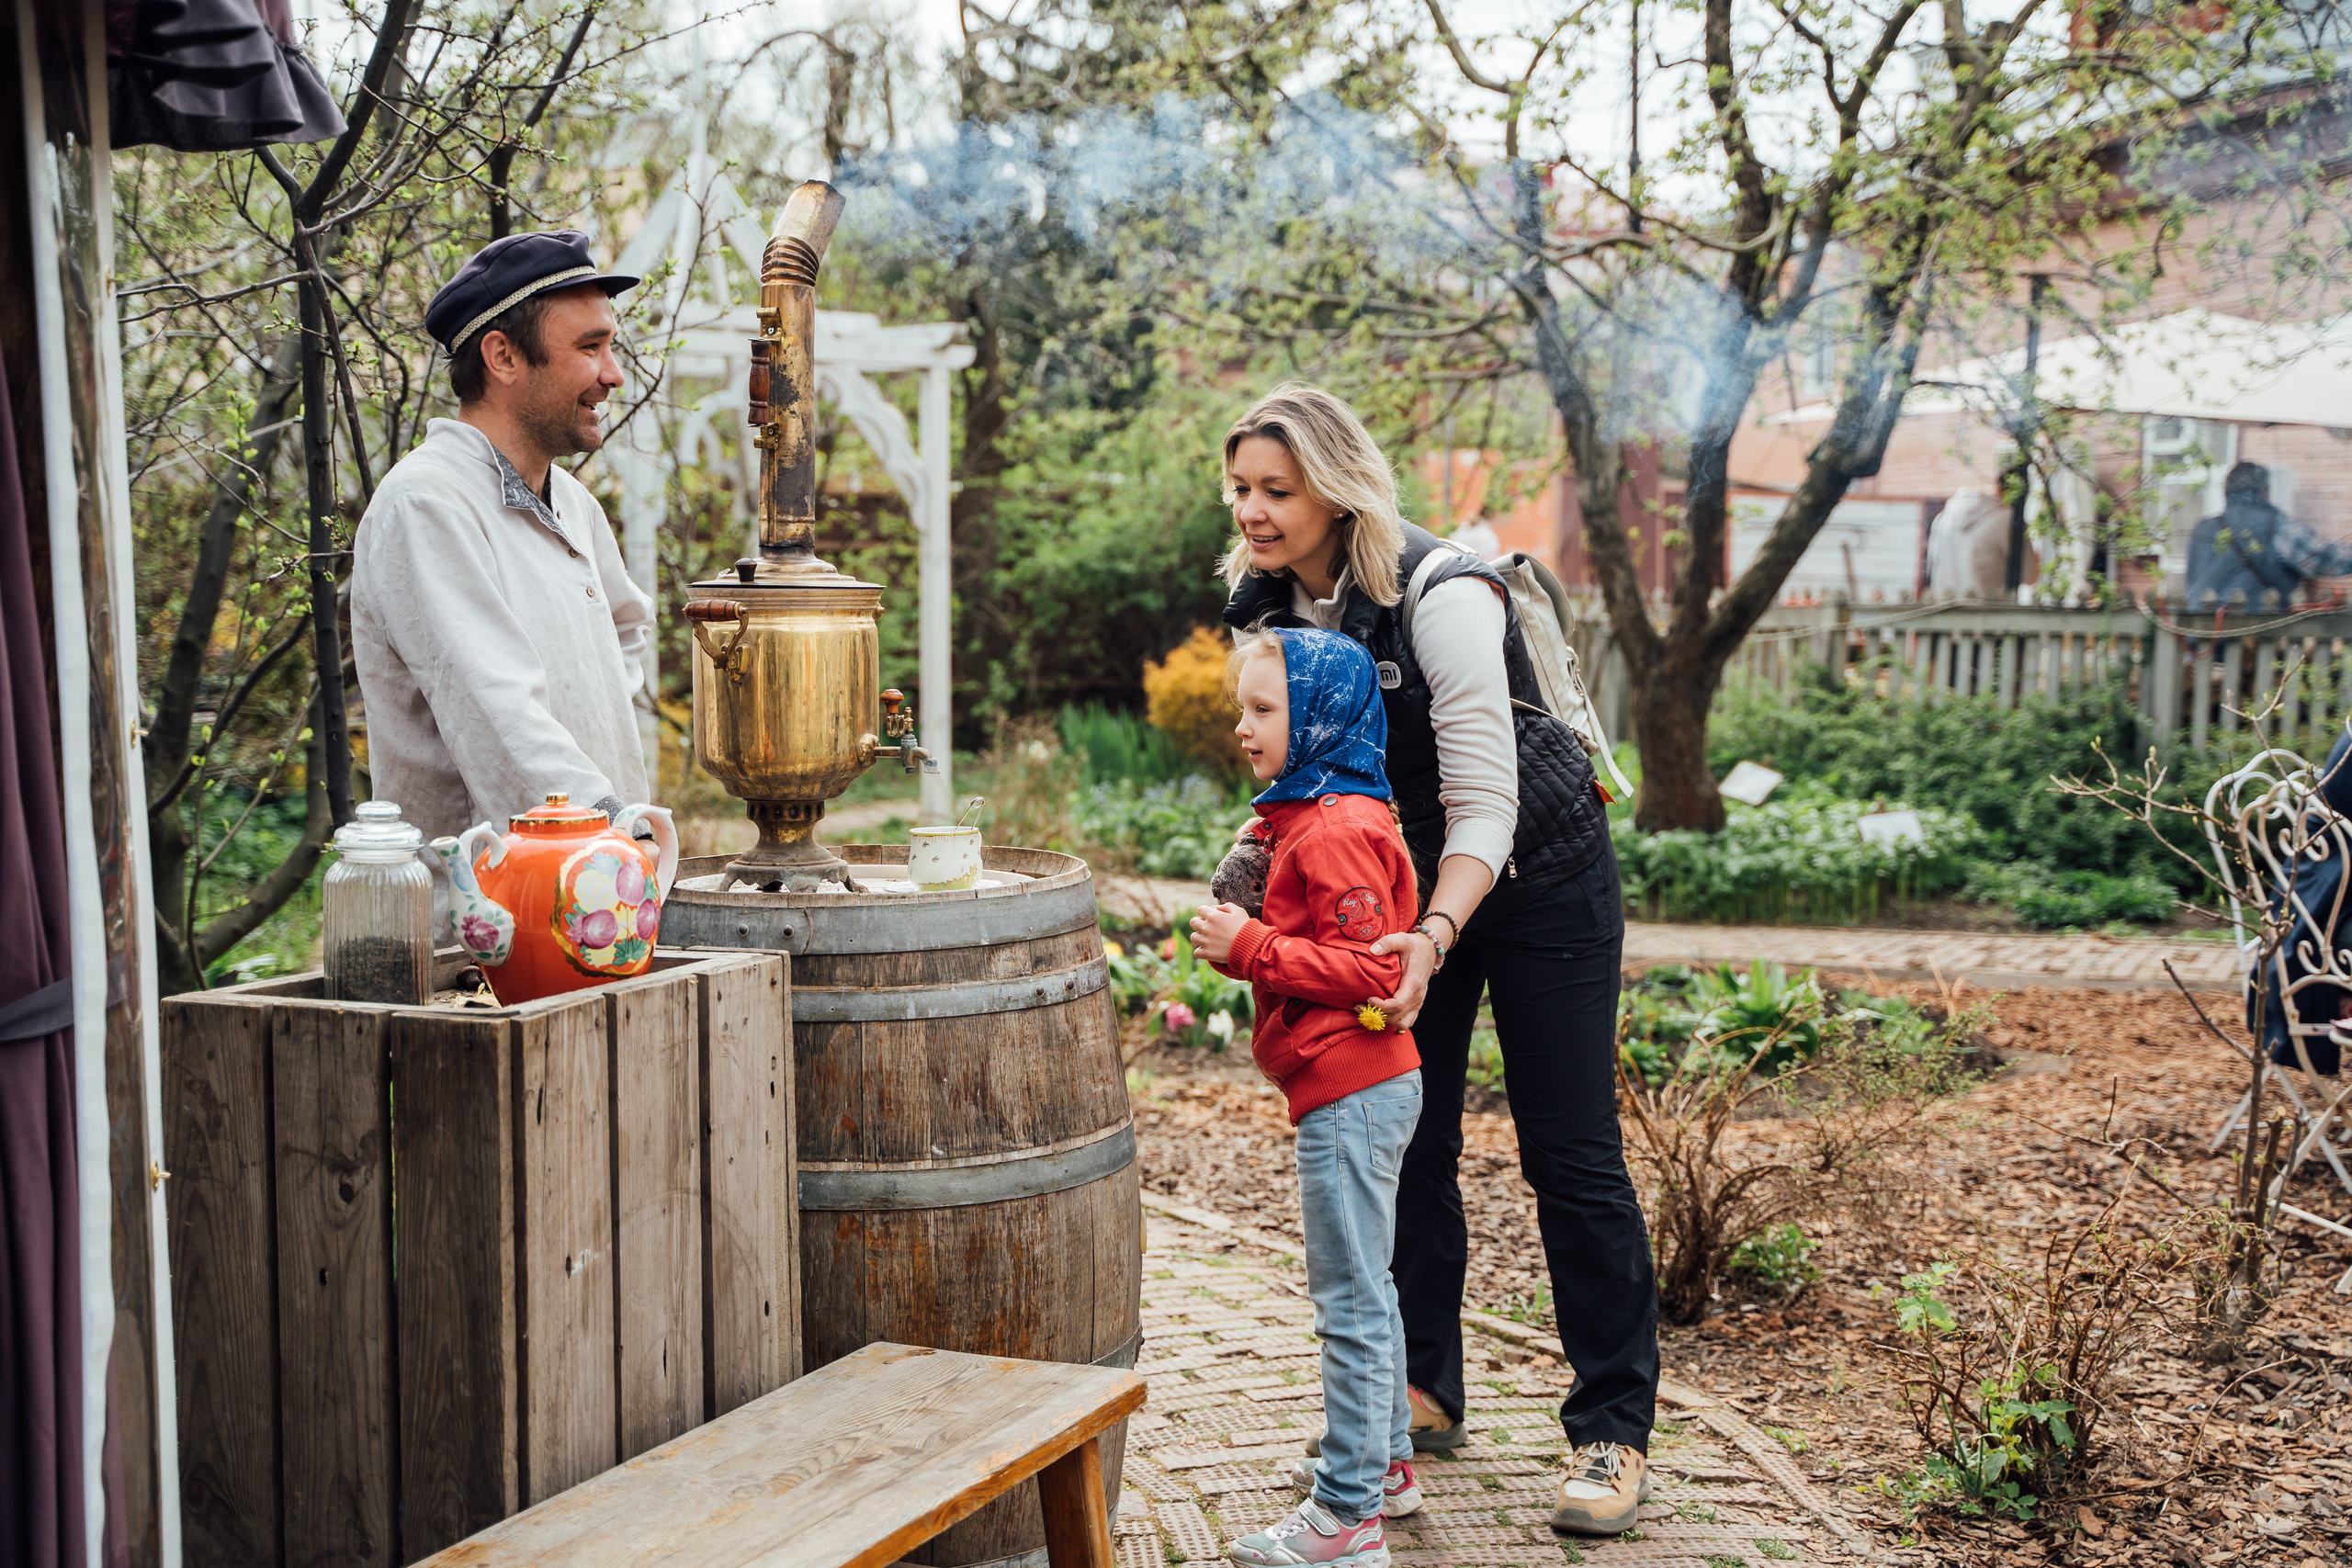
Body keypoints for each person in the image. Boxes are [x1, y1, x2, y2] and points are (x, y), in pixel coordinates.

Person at [1217, 384, 1659, 1537]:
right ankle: (1417, 1392)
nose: (1255, 512)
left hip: (1532, 872)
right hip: (1398, 885)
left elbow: (1484, 800)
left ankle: (1610, 1431)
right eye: (1242, 490)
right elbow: (1298, 753)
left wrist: (1431, 939)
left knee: (1571, 1153)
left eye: (1278, 489)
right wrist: (1259, 851)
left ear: (1336, 486)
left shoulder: (1442, 592)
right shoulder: (1262, 601)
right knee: (1407, 1138)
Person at [1189, 625, 1425, 1568]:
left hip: (1351, 1088)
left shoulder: (1336, 831)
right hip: (1356, 1085)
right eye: (1242, 709)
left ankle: (1346, 1515)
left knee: (1349, 1300)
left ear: (1320, 718)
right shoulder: (1322, 816)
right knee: (1372, 1284)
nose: (1245, 728)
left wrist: (1250, 950)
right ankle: (1388, 1468)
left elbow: (1374, 974)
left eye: (1264, 710)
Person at [351, 230, 654, 845]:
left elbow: (627, 628)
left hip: (602, 895)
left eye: (610, 346)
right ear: (504, 357)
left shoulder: (574, 502)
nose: (613, 374)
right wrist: (625, 838)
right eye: (590, 347)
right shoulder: (426, 505)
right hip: (484, 924)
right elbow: (496, 714)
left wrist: (585, 712)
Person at [2187, 461, 2349, 612]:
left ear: (2227, 493)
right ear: (2264, 491)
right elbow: (2324, 559)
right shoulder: (2275, 525)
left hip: (2198, 635)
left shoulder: (2201, 529)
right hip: (2254, 638)